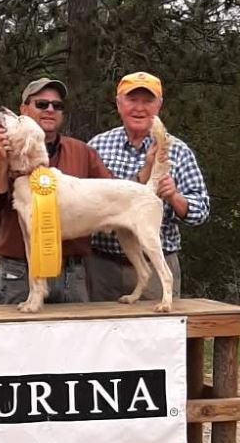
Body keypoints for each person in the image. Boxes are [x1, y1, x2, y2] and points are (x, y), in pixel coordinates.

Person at [0, 78, 112, 304]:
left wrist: (144, 181)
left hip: (72, 272)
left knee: (77, 339)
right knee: (17, 339)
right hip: (20, 273)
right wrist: (4, 160)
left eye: (57, 105)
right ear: (24, 109)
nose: (50, 109)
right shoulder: (0, 154)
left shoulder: (82, 151)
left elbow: (111, 194)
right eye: (41, 104)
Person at [87, 71, 210, 300]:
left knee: (158, 335)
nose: (139, 108)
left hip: (155, 266)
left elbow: (201, 211)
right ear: (119, 103)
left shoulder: (178, 151)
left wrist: (174, 197)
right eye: (132, 100)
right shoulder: (97, 146)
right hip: (102, 268)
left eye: (148, 101)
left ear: (159, 105)